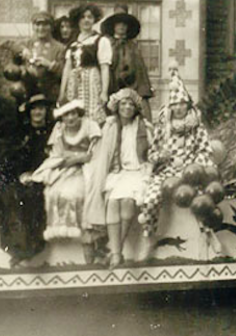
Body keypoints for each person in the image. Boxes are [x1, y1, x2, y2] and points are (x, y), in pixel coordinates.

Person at [138, 66, 218, 258]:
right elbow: (152, 153)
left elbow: (205, 151)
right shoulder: (163, 129)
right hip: (166, 172)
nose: (179, 108)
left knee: (201, 198)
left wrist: (192, 163)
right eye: (175, 105)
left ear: (188, 105)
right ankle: (149, 238)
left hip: (190, 172)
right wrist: (161, 157)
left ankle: (209, 235)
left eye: (182, 104)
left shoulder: (196, 129)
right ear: (170, 108)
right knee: (150, 198)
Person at [84, 88, 153, 269]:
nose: (127, 107)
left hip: (138, 171)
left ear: (136, 108)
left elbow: (152, 150)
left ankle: (116, 253)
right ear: (117, 106)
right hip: (118, 171)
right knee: (113, 202)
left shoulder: (143, 126)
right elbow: (102, 151)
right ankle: (116, 254)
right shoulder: (111, 126)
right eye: (123, 103)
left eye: (131, 104)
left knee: (128, 202)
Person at [31, 100, 101, 263]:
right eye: (66, 115)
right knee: (53, 191)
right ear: (61, 117)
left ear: (78, 113)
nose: (70, 118)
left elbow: (94, 154)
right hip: (65, 168)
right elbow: (58, 156)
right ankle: (62, 241)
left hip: (89, 168)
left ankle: (89, 240)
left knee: (79, 193)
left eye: (73, 113)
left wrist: (77, 158)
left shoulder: (89, 126)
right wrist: (76, 158)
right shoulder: (59, 129)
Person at [0, 94, 51, 267]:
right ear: (30, 112)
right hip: (24, 175)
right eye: (34, 109)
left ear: (46, 111)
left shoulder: (52, 131)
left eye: (41, 108)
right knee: (4, 196)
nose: (38, 112)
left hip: (45, 175)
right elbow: (15, 157)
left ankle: (32, 248)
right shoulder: (23, 133)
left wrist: (37, 174)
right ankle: (15, 248)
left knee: (31, 198)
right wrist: (22, 174)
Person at [59, 4, 112, 125]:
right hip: (74, 83)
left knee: (92, 115)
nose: (86, 20)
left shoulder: (100, 40)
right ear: (78, 20)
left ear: (94, 20)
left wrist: (104, 92)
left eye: (89, 17)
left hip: (91, 81)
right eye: (82, 17)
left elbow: (104, 68)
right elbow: (67, 68)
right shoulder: (72, 44)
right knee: (74, 114)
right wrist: (62, 92)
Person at [100, 10, 154, 121]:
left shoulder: (133, 46)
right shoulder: (108, 44)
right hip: (114, 86)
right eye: (118, 23)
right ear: (114, 26)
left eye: (125, 24)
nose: (122, 26)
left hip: (134, 87)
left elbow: (140, 70)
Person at [19, 11, 65, 104]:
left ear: (51, 27)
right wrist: (22, 50)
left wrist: (49, 65)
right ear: (33, 27)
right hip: (28, 92)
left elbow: (64, 74)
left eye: (45, 25)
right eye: (37, 25)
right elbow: (7, 44)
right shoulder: (28, 43)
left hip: (49, 93)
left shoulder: (60, 48)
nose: (41, 28)